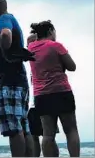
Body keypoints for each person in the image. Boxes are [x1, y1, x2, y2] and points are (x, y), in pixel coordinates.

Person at [0, 0, 34, 157]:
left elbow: (5, 35)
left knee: (13, 129)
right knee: (24, 128)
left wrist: (6, 53)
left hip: (8, 83)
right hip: (19, 81)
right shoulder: (9, 19)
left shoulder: (4, 18)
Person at [28, 20, 80, 157]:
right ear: (51, 31)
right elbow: (72, 67)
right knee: (71, 130)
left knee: (48, 134)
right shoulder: (56, 46)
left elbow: (29, 40)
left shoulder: (31, 49)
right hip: (62, 91)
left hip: (41, 95)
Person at [27, 34, 60, 157]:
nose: (29, 47)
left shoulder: (45, 60)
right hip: (33, 105)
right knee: (36, 136)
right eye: (28, 45)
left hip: (43, 101)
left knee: (49, 137)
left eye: (30, 44)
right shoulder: (30, 62)